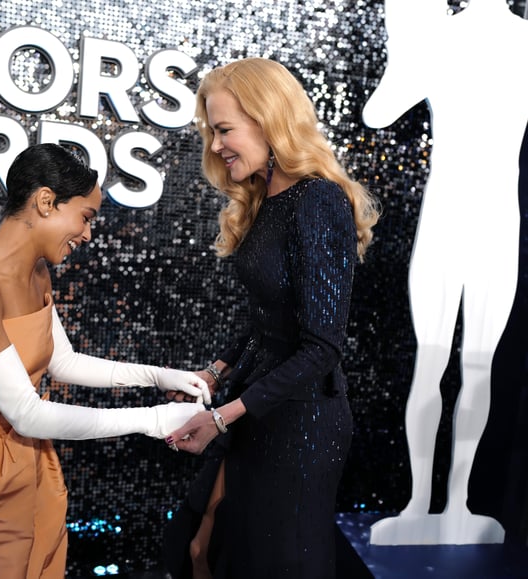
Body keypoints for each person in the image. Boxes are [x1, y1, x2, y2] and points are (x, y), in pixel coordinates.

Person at [0, 143, 209, 579]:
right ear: (45, 201)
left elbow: (64, 363)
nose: (87, 234)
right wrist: (151, 420)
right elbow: (26, 413)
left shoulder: (38, 272)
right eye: (86, 217)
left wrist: (158, 376)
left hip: (37, 470)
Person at [162, 58, 380, 578]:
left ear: (267, 119)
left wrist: (220, 417)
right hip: (257, 404)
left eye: (224, 130)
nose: (215, 146)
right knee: (201, 547)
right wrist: (214, 372)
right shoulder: (268, 199)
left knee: (268, 563)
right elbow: (269, 317)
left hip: (301, 423)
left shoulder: (317, 200)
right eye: (212, 132)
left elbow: (321, 347)